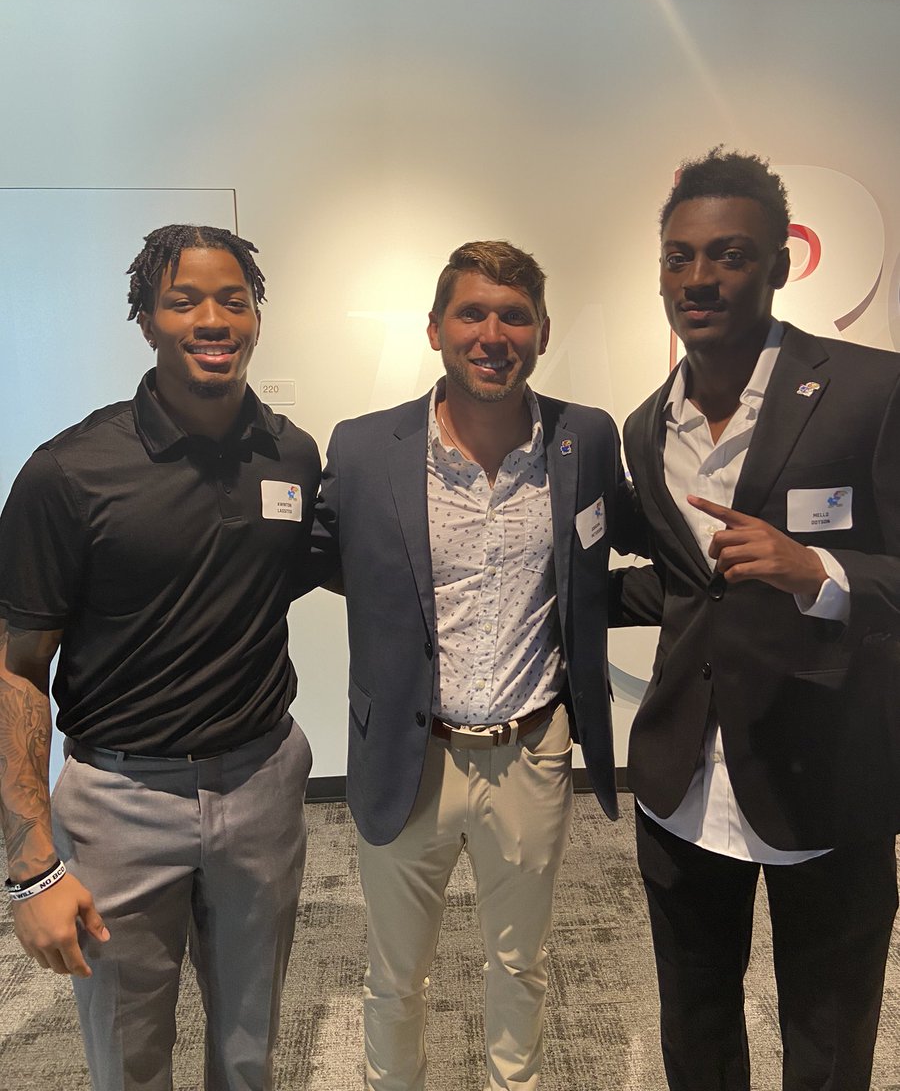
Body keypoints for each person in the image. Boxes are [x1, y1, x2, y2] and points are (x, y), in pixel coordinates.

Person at [312, 239, 641, 1091]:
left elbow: (618, 563)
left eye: (515, 315)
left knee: (521, 967)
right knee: (394, 978)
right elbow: (315, 560)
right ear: (434, 329)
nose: (493, 332)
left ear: (541, 332)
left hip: (531, 751)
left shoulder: (585, 440)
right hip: (407, 757)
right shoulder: (361, 449)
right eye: (472, 312)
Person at [0, 225, 320, 1091]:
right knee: (129, 1062)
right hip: (119, 804)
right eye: (184, 301)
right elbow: (16, 665)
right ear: (145, 319)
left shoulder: (293, 454)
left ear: (257, 316)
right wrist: (31, 868)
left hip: (261, 787)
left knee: (250, 1055)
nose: (213, 319)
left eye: (234, 299)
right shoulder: (67, 473)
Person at [614, 149, 900, 1090]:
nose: (699, 278)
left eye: (729, 254)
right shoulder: (644, 425)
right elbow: (686, 584)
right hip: (685, 782)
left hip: (828, 777)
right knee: (695, 1030)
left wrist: (818, 569)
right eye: (678, 257)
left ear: (782, 263)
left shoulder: (872, 390)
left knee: (826, 1036)